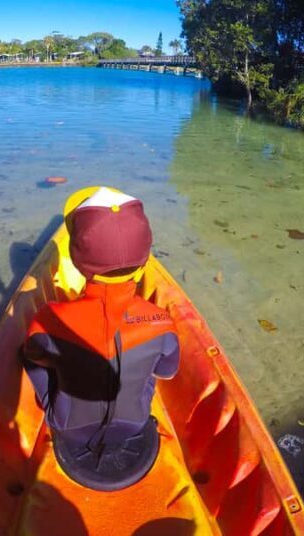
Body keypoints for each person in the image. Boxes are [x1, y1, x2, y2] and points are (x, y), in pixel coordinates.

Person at [22, 186, 180, 491]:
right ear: (145, 259)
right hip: (135, 423)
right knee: (147, 365)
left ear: (76, 261)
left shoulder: (49, 318)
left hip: (69, 427)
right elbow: (167, 372)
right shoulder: (162, 322)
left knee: (31, 356)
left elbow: (34, 355)